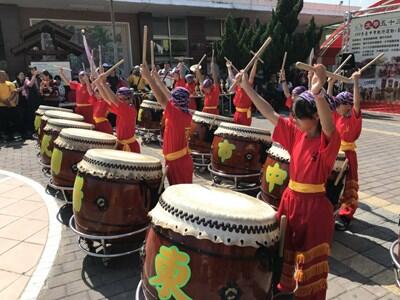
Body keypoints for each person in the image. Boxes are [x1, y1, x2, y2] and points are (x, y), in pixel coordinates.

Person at [238, 64, 340, 300]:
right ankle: (282, 290)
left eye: (299, 117)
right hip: (291, 200)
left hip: (314, 208)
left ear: (314, 117)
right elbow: (271, 114)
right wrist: (248, 89)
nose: (294, 120)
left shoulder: (328, 142)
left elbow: (328, 125)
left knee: (310, 263)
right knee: (284, 252)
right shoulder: (296, 133)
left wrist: (317, 92)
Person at [141, 62, 193, 185]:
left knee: (180, 197)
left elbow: (162, 99)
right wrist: (157, 80)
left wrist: (149, 79)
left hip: (178, 163)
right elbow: (169, 97)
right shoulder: (182, 113)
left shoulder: (176, 115)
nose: (171, 101)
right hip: (178, 161)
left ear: (177, 102)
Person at [331, 70, 362, 231]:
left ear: (347, 106)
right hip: (336, 154)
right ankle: (334, 210)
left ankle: (345, 216)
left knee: (349, 186)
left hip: (349, 155)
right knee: (334, 184)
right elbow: (327, 103)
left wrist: (355, 82)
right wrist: (329, 84)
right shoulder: (337, 116)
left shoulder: (353, 117)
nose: (336, 107)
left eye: (339, 104)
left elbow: (357, 103)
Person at [94, 77, 140, 153]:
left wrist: (104, 84)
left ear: (129, 99)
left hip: (129, 147)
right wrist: (99, 84)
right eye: (120, 99)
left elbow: (114, 100)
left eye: (122, 99)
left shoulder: (129, 109)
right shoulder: (122, 108)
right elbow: (106, 99)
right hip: (121, 144)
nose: (120, 101)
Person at [227, 60, 258, 126]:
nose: (235, 81)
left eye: (237, 79)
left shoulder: (247, 87)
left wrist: (255, 63)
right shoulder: (237, 87)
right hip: (237, 113)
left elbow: (252, 76)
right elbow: (231, 77)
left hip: (245, 115)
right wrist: (229, 68)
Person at [0, 70, 21, 141]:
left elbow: (14, 92)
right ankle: (5, 135)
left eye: (5, 74)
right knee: (3, 122)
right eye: (3, 75)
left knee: (13, 121)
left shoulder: (10, 84)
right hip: (2, 107)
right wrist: (6, 102)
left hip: (12, 106)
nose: (5, 76)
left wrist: (9, 101)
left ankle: (14, 134)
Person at [24, 67, 41, 136]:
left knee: (38, 115)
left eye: (35, 70)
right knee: (32, 115)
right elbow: (30, 85)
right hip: (31, 100)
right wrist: (34, 75)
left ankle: (38, 129)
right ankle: (32, 131)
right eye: (33, 70)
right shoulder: (27, 79)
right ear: (30, 71)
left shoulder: (38, 78)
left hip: (38, 99)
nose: (35, 71)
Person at [13, 72, 29, 139]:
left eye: (23, 75)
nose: (22, 76)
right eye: (21, 75)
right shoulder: (14, 83)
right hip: (18, 102)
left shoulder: (25, 82)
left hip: (25, 102)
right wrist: (22, 88)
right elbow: (14, 91)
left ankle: (25, 132)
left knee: (25, 117)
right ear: (17, 76)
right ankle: (21, 132)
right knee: (20, 118)